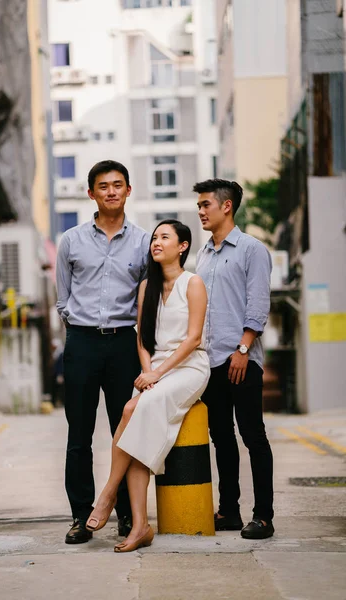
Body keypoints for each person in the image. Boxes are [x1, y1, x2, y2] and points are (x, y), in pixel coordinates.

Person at [84, 220, 210, 552]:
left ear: (182, 246)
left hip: (188, 366)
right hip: (154, 369)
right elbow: (142, 337)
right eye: (154, 237)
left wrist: (156, 375)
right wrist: (147, 370)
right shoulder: (146, 288)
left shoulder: (192, 283)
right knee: (138, 425)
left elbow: (194, 338)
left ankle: (108, 493)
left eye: (164, 237)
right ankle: (140, 526)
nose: (156, 242)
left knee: (131, 409)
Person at [56, 160, 150, 544]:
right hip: (81, 342)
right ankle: (81, 516)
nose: (111, 191)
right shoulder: (71, 241)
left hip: (124, 343)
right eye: (103, 186)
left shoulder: (144, 242)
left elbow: (148, 300)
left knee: (124, 432)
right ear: (90, 193)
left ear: (129, 190)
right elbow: (62, 297)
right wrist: (80, 329)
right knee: (78, 434)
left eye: (117, 185)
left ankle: (127, 517)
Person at [194, 178, 274, 540]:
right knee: (221, 438)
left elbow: (258, 304)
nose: (200, 211)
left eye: (205, 204)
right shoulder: (203, 254)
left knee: (252, 435)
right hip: (209, 362)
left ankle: (264, 516)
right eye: (199, 205)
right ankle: (229, 511)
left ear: (226, 206)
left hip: (240, 358)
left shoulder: (251, 249)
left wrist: (242, 349)